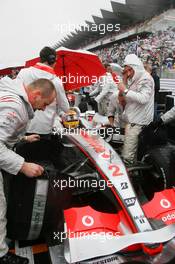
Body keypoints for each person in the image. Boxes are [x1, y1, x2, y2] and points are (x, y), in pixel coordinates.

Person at [0, 77, 56, 264]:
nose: (44, 108)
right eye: (45, 103)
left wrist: (23, 138)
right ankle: (2, 256)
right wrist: (23, 166)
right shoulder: (15, 106)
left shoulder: (12, 95)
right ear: (36, 94)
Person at [17, 46, 69, 135]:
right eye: (55, 60)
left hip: (23, 126)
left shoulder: (23, 73)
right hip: (44, 129)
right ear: (52, 60)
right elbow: (65, 107)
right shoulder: (56, 81)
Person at [117, 54, 154, 164]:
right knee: (132, 155)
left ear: (135, 68)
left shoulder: (146, 78)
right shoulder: (134, 79)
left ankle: (130, 178)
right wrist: (124, 80)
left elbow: (144, 98)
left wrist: (125, 90)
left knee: (127, 156)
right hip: (133, 121)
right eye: (126, 71)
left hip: (137, 123)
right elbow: (124, 100)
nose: (128, 73)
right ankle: (134, 176)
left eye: (129, 70)